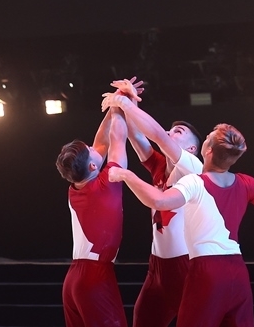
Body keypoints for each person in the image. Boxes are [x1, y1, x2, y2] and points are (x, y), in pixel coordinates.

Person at [108, 123, 254, 327]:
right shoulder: (245, 183)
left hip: (202, 267)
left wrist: (126, 174)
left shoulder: (194, 177)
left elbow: (158, 197)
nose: (170, 133)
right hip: (230, 269)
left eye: (207, 138)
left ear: (204, 151)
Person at [101, 78, 203, 327]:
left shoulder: (193, 167)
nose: (169, 132)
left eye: (178, 132)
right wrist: (127, 99)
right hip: (156, 268)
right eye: (171, 129)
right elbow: (137, 135)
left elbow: (155, 134)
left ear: (191, 149)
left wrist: (126, 103)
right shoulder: (159, 165)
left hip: (185, 267)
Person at [55, 106, 129, 327]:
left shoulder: (74, 188)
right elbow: (117, 139)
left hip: (73, 280)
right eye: (89, 148)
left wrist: (113, 108)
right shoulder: (109, 182)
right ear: (92, 165)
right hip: (94, 279)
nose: (93, 146)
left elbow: (101, 143)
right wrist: (122, 103)